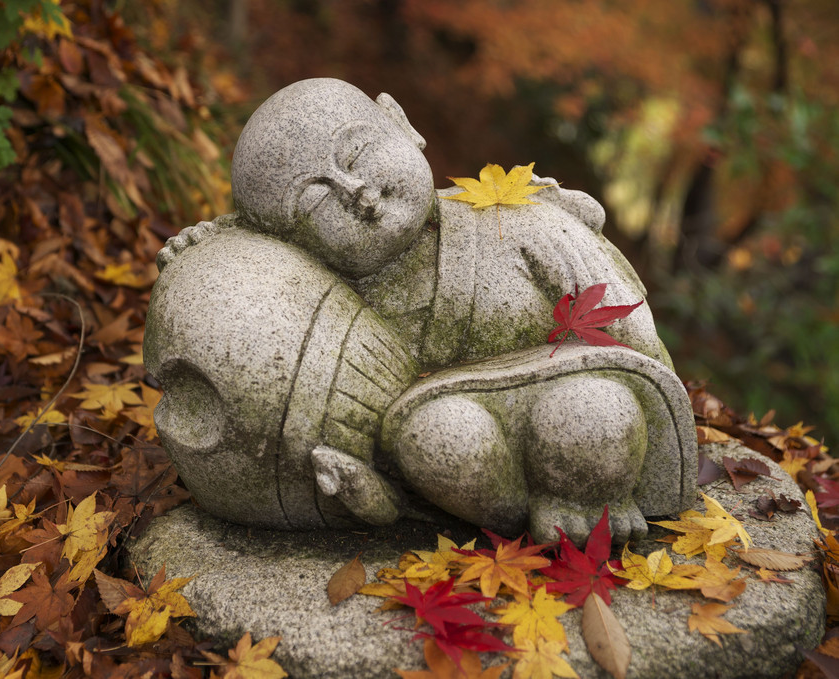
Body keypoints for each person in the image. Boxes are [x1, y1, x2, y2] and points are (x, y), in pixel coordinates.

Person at [148, 79, 695, 544]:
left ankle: (583, 493)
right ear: (291, 244)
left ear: (400, 123)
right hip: (459, 449)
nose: (356, 192)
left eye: (356, 156)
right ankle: (511, 517)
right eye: (316, 201)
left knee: (590, 411)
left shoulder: (527, 228)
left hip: (583, 400)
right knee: (437, 436)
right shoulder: (334, 302)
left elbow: (643, 354)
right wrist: (212, 245)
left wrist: (646, 443)